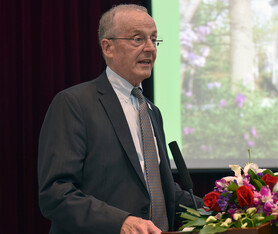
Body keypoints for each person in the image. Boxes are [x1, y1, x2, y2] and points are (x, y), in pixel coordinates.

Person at [38, 4, 200, 234]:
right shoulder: (74, 104)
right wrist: (120, 222)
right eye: (138, 39)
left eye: (154, 39)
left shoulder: (152, 111)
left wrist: (224, 208)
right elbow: (56, 194)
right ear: (108, 47)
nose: (150, 48)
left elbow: (160, 192)